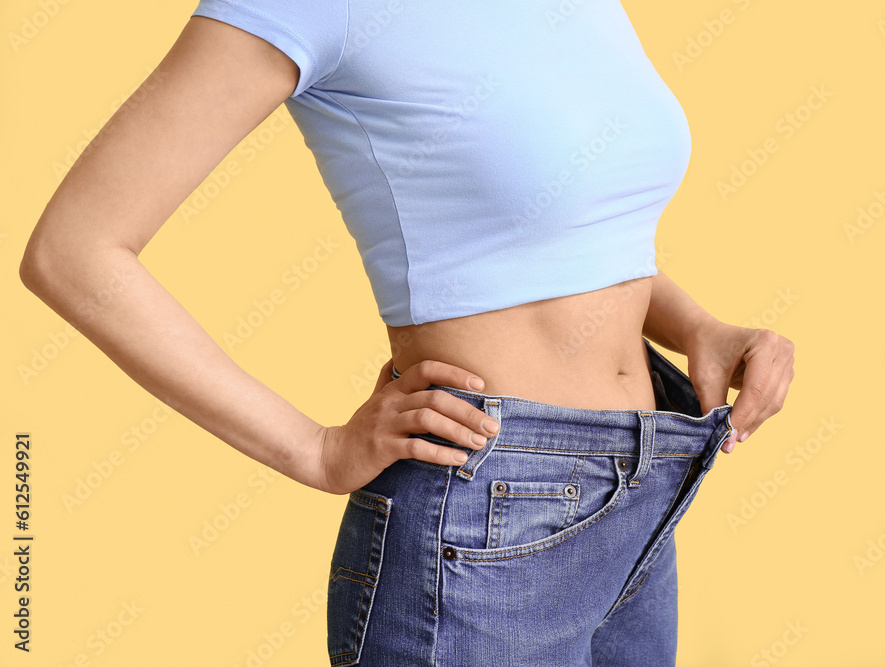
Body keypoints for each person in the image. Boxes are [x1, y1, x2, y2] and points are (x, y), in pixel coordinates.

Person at [19, 1, 795, 665]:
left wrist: (701, 327)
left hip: (648, 493)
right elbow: (73, 251)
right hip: (487, 514)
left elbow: (558, 228)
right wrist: (314, 449)